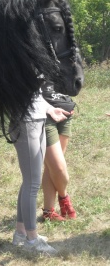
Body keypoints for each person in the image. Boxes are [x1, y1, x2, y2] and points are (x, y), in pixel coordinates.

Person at [9, 90, 70, 254]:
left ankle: (21, 233)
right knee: (32, 183)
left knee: (29, 180)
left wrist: (49, 109)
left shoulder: (31, 63)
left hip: (37, 119)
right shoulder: (18, 64)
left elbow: (34, 94)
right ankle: (32, 240)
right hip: (26, 122)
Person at [41, 82, 77, 221]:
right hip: (45, 114)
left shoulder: (65, 59)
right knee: (58, 167)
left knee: (51, 167)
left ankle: (48, 211)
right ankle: (64, 198)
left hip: (66, 112)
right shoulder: (35, 60)